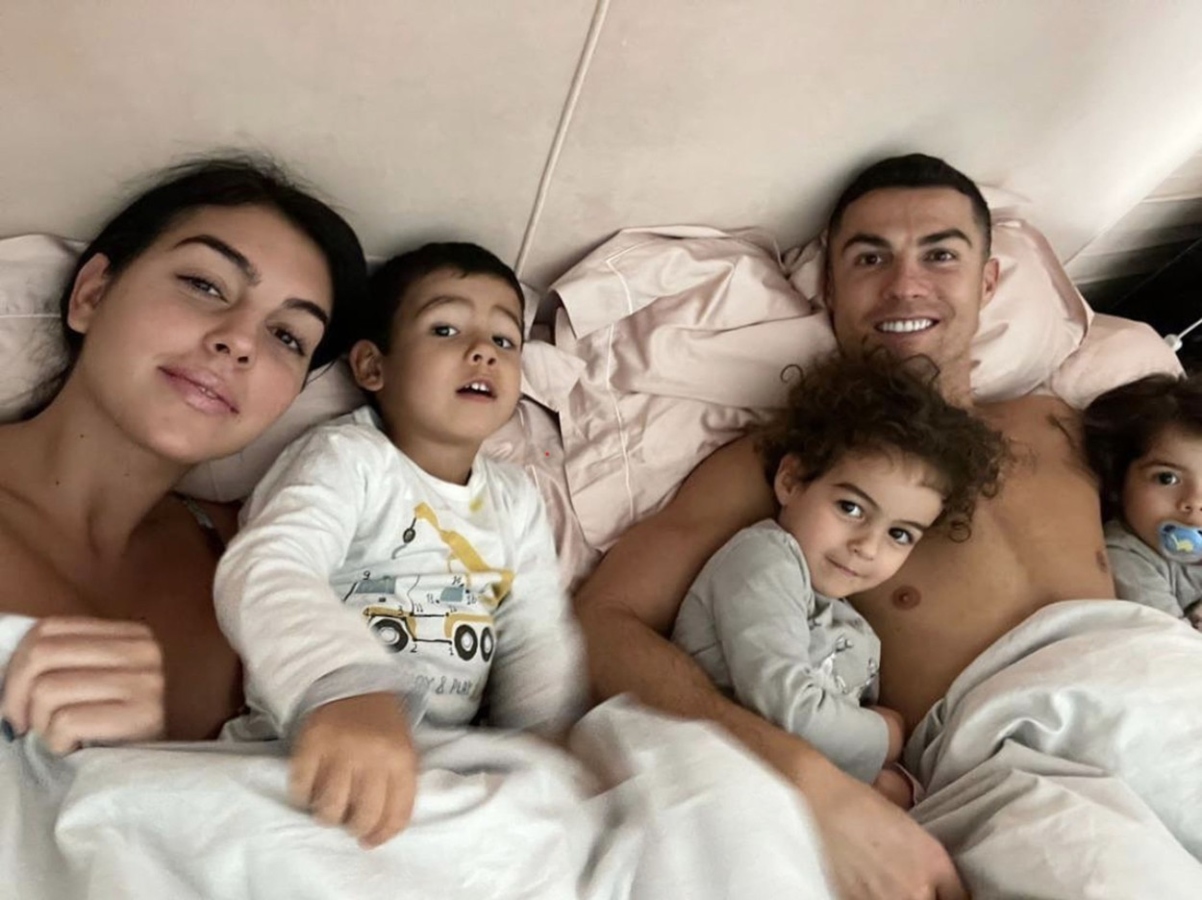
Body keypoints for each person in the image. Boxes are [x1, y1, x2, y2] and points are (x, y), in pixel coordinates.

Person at [573, 153, 1118, 900]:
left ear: (988, 282)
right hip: (1024, 778)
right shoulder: (793, 464)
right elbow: (602, 622)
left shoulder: (1056, 422)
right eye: (870, 258)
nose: (905, 286)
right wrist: (806, 776)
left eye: (940, 256)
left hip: (1160, 686)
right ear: (830, 288)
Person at [214, 242, 584, 848]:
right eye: (445, 329)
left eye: (504, 339)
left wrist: (545, 749)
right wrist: (342, 685)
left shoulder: (516, 498)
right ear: (371, 367)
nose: (483, 351)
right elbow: (268, 564)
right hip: (310, 741)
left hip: (447, 761)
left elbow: (535, 634)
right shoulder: (348, 459)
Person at [0, 156, 368, 750]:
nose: (241, 341)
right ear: (92, 294)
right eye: (205, 285)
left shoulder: (270, 559)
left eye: (287, 336)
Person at [671, 352, 1005, 808]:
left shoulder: (850, 622)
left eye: (899, 534)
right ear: (792, 481)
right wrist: (887, 734)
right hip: (718, 776)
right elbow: (791, 711)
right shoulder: (764, 560)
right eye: (851, 508)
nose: (867, 546)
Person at [1084, 372, 1202, 628]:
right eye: (1167, 478)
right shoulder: (1125, 558)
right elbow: (1170, 642)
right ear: (1119, 483)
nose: (1193, 501)